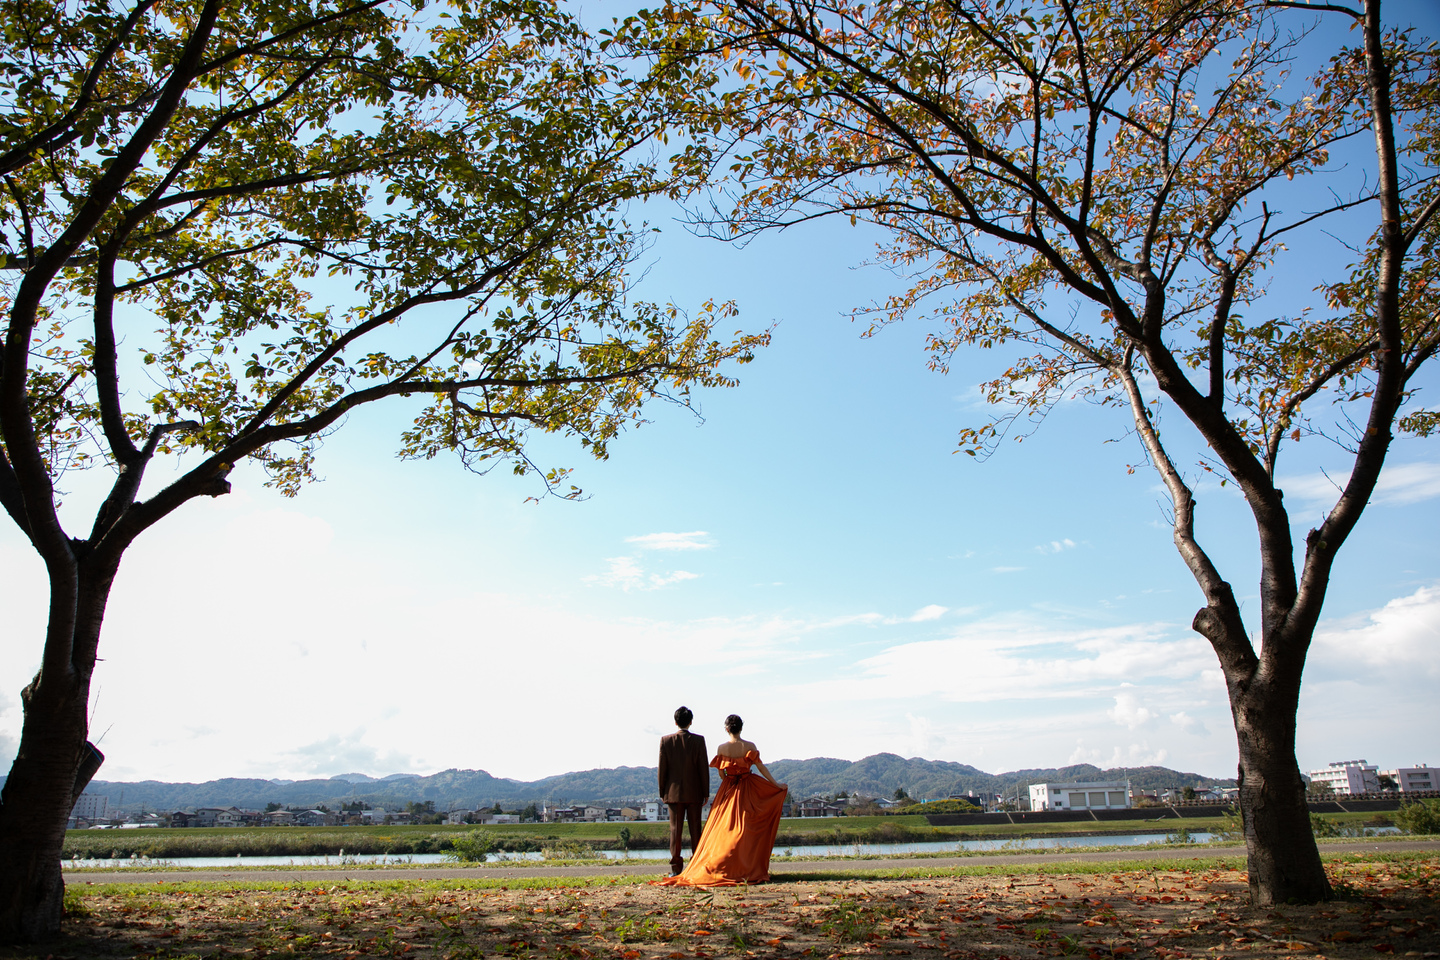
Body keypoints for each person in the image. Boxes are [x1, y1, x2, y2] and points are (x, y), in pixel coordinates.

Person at [655, 713, 788, 887]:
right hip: (744, 788)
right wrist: (776, 784)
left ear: (726, 729)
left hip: (725, 789)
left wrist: (663, 791)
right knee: (743, 830)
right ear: (741, 727)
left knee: (716, 830)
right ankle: (738, 865)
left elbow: (719, 773)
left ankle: (691, 866)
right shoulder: (749, 746)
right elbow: (760, 768)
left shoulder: (721, 748)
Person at [658, 705, 709, 876]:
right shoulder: (699, 741)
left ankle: (675, 869)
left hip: (673, 793)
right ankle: (697, 866)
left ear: (675, 722)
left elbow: (662, 770)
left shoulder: (665, 741)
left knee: (675, 830)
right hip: (695, 792)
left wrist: (662, 791)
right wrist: (706, 792)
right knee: (696, 830)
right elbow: (703, 769)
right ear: (691, 721)